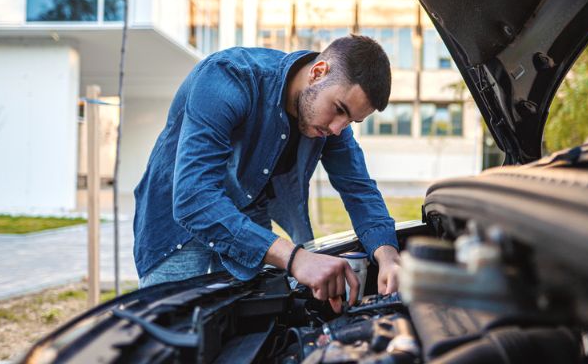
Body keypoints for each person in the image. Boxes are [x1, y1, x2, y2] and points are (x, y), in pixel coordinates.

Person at [133, 35, 400, 309]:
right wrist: (295, 258)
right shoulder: (228, 77)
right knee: (173, 335)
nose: (337, 129)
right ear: (318, 73)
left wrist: (387, 256)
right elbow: (193, 198)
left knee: (251, 329)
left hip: (246, 217)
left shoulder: (332, 123)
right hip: (178, 228)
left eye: (351, 121)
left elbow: (359, 189)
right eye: (339, 110)